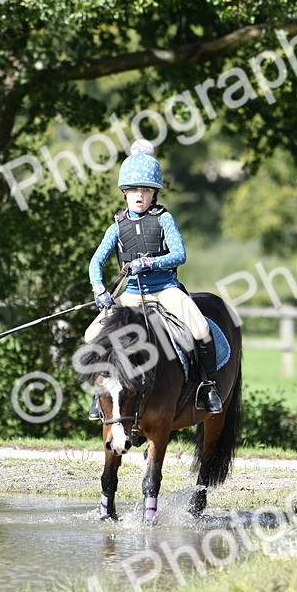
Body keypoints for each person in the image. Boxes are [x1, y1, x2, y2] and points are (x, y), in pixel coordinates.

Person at [85, 139, 223, 417]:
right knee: (92, 335)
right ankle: (100, 395)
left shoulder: (163, 219)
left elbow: (180, 254)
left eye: (146, 191)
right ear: (124, 193)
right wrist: (99, 289)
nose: (140, 196)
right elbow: (96, 261)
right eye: (134, 190)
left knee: (199, 329)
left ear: (154, 194)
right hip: (132, 295)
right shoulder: (117, 226)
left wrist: (150, 262)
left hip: (166, 290)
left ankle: (207, 387)